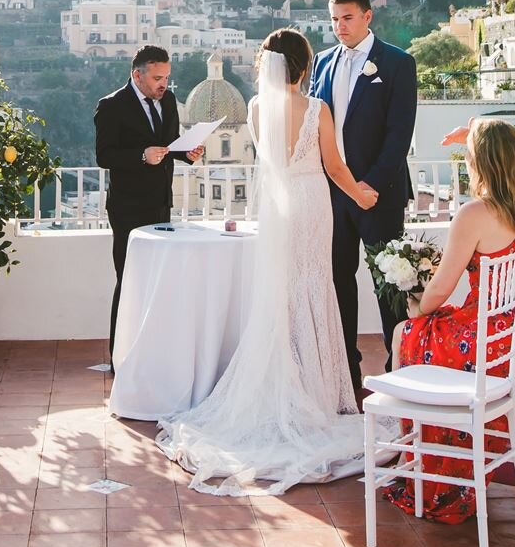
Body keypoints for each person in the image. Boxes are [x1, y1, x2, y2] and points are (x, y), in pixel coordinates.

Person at [157, 27, 380, 495]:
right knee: (314, 286)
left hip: (278, 205)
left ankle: (288, 381)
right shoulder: (316, 108)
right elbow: (335, 167)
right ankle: (315, 391)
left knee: (284, 290)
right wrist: (360, 194)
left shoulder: (257, 108)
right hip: (313, 203)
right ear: (305, 66)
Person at [385, 117, 515, 524]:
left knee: (407, 332)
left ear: (480, 164)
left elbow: (441, 289)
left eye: (468, 157)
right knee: (422, 328)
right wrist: (475, 135)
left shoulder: (473, 214)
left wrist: (418, 308)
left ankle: (420, 454)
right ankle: (434, 452)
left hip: (485, 343)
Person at [309, 0, 417, 396]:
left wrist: (368, 185)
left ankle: (398, 367)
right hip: (333, 194)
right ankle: (346, 369)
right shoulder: (322, 63)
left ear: (368, 17)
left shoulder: (398, 63)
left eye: (348, 18)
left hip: (378, 194)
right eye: (334, 19)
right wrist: (340, 185)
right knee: (338, 279)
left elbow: (398, 134)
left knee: (389, 282)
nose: (340, 27)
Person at [94, 45, 202, 363]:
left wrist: (187, 153)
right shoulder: (111, 106)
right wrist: (142, 155)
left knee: (159, 282)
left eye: (167, 77)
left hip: (161, 205)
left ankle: (152, 354)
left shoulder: (167, 100)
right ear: (137, 74)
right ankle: (120, 358)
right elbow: (104, 157)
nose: (163, 84)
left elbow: (167, 144)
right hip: (127, 208)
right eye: (157, 77)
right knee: (128, 279)